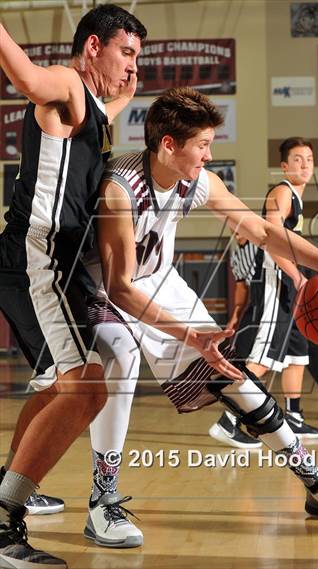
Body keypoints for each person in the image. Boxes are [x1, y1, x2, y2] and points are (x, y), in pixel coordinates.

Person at [79, 88, 318, 548]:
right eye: (202, 145)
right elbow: (120, 287)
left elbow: (261, 231)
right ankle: (102, 501)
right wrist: (191, 337)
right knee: (120, 361)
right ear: (169, 145)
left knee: (234, 376)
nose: (209, 154)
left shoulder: (199, 181)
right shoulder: (119, 188)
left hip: (159, 280)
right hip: (101, 290)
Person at [0, 6, 146, 568]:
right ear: (92, 47)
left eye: (137, 57)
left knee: (65, 384)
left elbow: (106, 110)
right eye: (125, 52)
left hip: (53, 262)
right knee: (86, 390)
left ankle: (12, 483)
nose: (132, 66)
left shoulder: (97, 112)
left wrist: (128, 93)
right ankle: (3, 512)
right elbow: (29, 79)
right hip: (41, 256)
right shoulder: (65, 84)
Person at [210, 138, 318, 446]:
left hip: (291, 281)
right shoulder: (282, 192)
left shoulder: (297, 199)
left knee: (298, 353)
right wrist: (297, 277)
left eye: (310, 159)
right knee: (263, 357)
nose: (305, 164)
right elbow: (270, 240)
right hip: (276, 281)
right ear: (284, 166)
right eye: (298, 159)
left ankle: (294, 418)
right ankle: (229, 420)